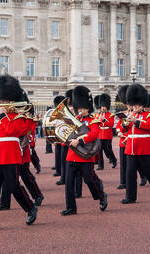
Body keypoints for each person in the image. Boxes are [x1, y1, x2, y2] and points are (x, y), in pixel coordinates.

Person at [0, 75, 37, 231]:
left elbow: (13, 131)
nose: (2, 103)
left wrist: (3, 116)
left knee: (13, 187)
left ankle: (30, 207)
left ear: (12, 100)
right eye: (2, 100)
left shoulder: (19, 116)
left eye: (5, 100)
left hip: (10, 157)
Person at [61, 86, 107, 216]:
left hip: (86, 155)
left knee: (89, 180)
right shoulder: (74, 121)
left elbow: (94, 134)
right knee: (69, 183)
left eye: (83, 108)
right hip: (72, 155)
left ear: (88, 107)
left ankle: (101, 196)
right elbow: (66, 134)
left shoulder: (93, 120)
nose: (80, 110)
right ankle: (71, 207)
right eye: (79, 108)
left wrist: (80, 141)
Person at [121, 84, 150, 204]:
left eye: (137, 105)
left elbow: (149, 126)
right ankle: (130, 197)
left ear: (142, 105)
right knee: (130, 173)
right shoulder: (130, 114)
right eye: (134, 105)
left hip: (144, 147)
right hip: (131, 148)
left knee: (147, 172)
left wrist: (136, 121)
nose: (135, 107)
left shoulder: (149, 115)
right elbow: (124, 129)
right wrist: (125, 123)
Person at [95, 93, 117, 171]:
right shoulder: (97, 115)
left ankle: (114, 159)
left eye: (104, 106)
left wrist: (104, 120)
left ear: (107, 107)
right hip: (100, 134)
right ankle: (100, 165)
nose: (103, 108)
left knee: (108, 149)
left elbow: (111, 124)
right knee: (99, 150)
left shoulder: (111, 115)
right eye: (102, 107)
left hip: (107, 134)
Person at [115, 86, 130, 190]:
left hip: (132, 142)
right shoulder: (124, 114)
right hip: (122, 142)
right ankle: (123, 182)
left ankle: (143, 177)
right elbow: (118, 126)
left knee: (136, 165)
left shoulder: (136, 115)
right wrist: (119, 131)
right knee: (123, 164)